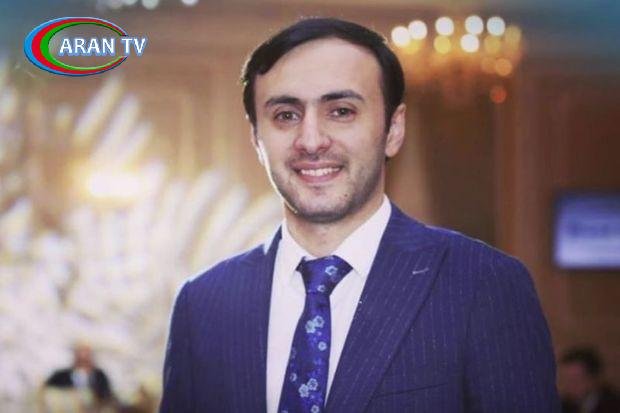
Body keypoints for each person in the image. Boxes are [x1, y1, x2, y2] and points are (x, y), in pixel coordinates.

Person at [161, 17, 560, 412]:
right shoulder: (203, 304)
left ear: (393, 130)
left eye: (341, 111)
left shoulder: (482, 284)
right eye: (286, 115)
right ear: (256, 139)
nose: (311, 141)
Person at [45, 343, 114, 405]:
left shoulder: (100, 376)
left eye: (86, 355)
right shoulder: (60, 375)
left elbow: (107, 396)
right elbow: (47, 391)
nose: (83, 357)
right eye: (80, 354)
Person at [560, 347, 620, 413]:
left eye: (575, 380)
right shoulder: (563, 405)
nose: (569, 386)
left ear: (593, 378)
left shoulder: (614, 405)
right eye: (566, 380)